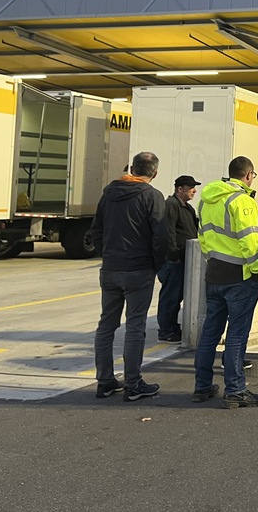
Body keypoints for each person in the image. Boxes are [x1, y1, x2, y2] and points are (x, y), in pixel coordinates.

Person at [91, 151, 169, 402]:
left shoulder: (109, 193)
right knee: (135, 326)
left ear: (132, 168)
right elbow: (160, 237)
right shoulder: (152, 196)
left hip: (111, 269)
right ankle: (133, 383)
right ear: (154, 173)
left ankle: (104, 381)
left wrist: (107, 256)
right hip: (139, 269)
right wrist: (156, 265)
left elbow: (96, 230)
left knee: (106, 325)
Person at [192, 156, 258, 408]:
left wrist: (212, 261)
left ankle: (202, 386)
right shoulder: (242, 200)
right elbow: (249, 239)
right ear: (248, 175)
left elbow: (202, 237)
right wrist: (256, 269)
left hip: (214, 273)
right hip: (239, 276)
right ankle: (235, 389)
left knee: (210, 332)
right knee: (237, 333)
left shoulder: (206, 200)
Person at [156, 174, 200, 343]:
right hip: (173, 261)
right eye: (190, 188)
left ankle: (173, 327)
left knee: (177, 296)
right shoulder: (171, 205)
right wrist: (173, 257)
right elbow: (168, 233)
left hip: (183, 260)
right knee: (170, 296)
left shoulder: (187, 208)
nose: (194, 191)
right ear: (180, 189)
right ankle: (166, 330)